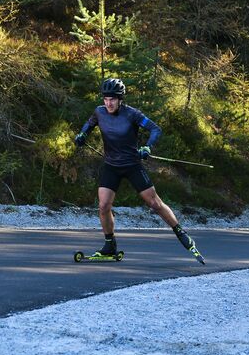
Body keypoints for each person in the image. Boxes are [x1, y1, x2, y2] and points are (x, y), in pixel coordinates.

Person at [75, 78, 203, 261]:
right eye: (106, 99)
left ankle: (182, 234)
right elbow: (89, 124)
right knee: (103, 205)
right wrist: (82, 134)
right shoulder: (99, 112)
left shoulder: (132, 114)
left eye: (112, 99)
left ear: (120, 99)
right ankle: (110, 244)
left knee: (155, 204)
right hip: (111, 165)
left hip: (132, 165)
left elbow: (155, 129)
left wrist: (147, 147)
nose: (108, 103)